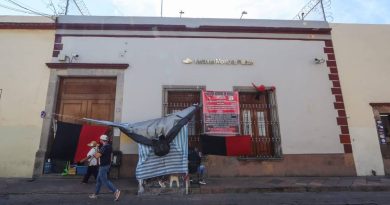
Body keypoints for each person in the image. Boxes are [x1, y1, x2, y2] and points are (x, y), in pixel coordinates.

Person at [89, 135, 121, 201]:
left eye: (100, 140)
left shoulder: (104, 147)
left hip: (103, 166)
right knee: (98, 180)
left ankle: (116, 191)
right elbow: (111, 155)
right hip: (107, 165)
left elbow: (97, 156)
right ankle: (96, 194)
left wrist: (95, 150)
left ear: (101, 140)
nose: (100, 141)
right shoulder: (109, 146)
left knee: (105, 181)